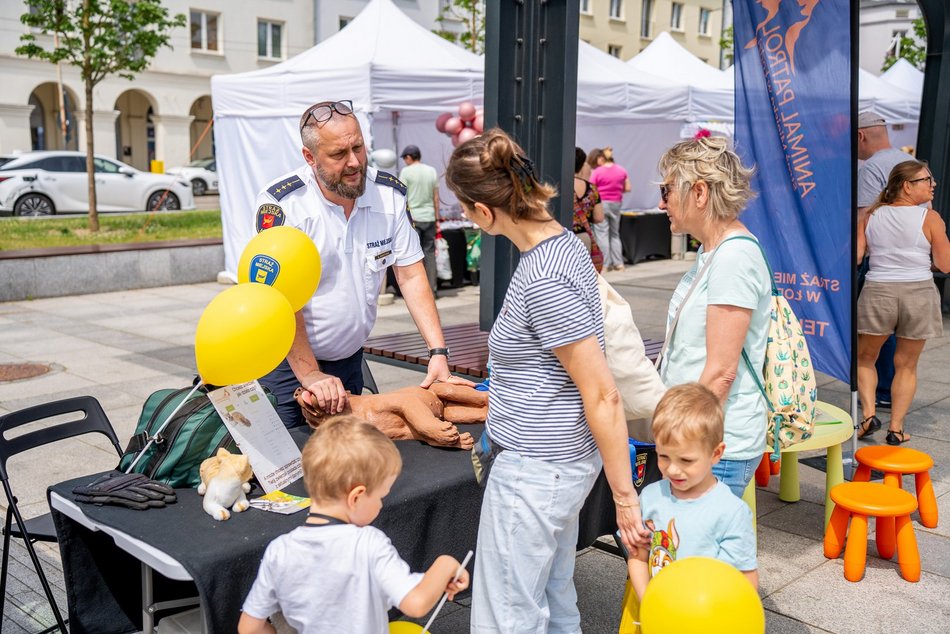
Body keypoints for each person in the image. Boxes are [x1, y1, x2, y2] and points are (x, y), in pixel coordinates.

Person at [444, 129, 649, 633]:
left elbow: (601, 391)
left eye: (467, 210)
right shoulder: (566, 249)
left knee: (508, 616)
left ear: (484, 212)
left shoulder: (545, 276)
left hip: (538, 470)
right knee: (552, 598)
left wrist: (625, 500)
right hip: (556, 464)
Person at [253, 100, 465, 428]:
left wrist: (437, 352)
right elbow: (280, 299)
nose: (354, 162)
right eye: (339, 154)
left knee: (346, 461)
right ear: (309, 158)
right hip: (286, 364)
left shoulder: (389, 195)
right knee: (290, 466)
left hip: (349, 360)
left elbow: (409, 274)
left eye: (359, 147)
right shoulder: (283, 205)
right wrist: (309, 372)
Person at [238, 416, 470, 634]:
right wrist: (445, 565)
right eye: (380, 496)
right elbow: (415, 603)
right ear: (356, 496)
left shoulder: (279, 550)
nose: (380, 504)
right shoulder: (368, 543)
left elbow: (249, 627)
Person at [656, 137, 771, 497]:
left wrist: (680, 440)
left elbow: (722, 372)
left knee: (695, 550)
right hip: (698, 439)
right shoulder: (715, 251)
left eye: (668, 190)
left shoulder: (733, 258)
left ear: (700, 192)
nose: (662, 203)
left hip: (708, 444)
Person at [627, 383, 757, 600]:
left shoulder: (731, 511)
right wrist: (648, 601)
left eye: (686, 460)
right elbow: (638, 557)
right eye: (663, 456)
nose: (673, 469)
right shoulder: (650, 497)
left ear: (716, 453)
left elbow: (745, 577)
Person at [856, 160, 950, 444]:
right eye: (926, 180)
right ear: (907, 186)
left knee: (865, 358)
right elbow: (945, 265)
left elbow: (857, 257)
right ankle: (895, 429)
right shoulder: (931, 219)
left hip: (878, 290)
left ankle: (869, 415)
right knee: (906, 365)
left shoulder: (872, 216)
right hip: (918, 292)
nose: (933, 184)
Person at [857, 111, 915, 412]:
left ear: (860, 136)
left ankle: (879, 391)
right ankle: (893, 393)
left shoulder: (872, 168)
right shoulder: (912, 166)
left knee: (874, 332)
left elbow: (865, 216)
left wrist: (856, 255)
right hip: (912, 263)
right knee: (903, 334)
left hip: (881, 262)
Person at [399, 145, 441, 296]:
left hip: (413, 218)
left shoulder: (406, 172)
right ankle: (433, 289)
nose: (404, 161)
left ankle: (419, 292)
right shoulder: (431, 171)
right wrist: (437, 218)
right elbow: (436, 197)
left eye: (405, 158)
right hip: (429, 217)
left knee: (413, 256)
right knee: (430, 254)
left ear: (409, 157)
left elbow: (401, 196)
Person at [590, 146, 631, 272]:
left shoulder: (597, 171)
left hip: (601, 204)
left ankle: (605, 265)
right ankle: (619, 264)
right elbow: (628, 188)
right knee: (614, 233)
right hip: (616, 203)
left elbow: (591, 188)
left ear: (601, 158)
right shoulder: (622, 170)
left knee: (602, 234)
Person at [574, 147, 605, 271]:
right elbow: (599, 217)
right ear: (582, 165)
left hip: (559, 237)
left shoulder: (558, 185)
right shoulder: (591, 188)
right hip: (583, 238)